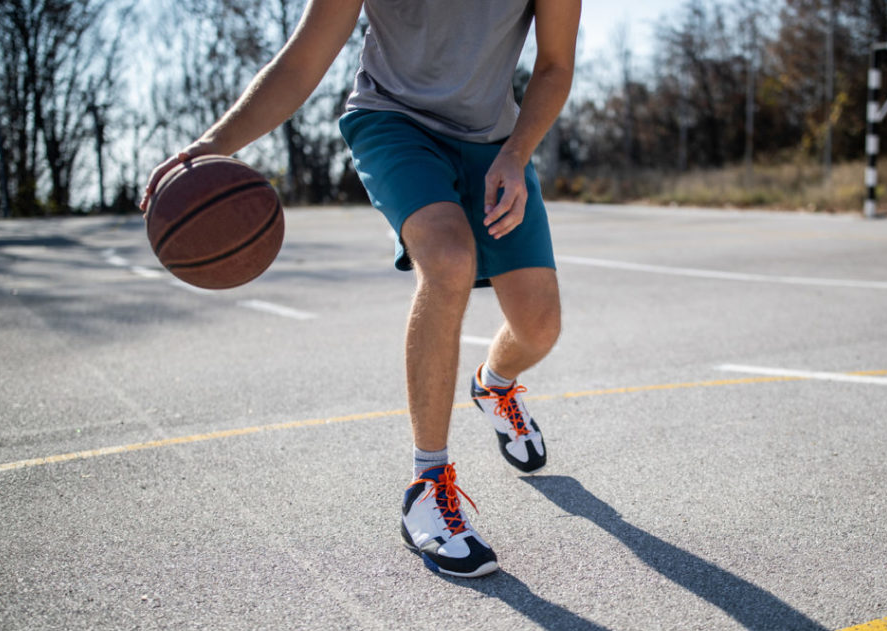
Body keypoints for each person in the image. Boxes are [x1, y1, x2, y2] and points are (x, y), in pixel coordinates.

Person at [141, 0, 580, 578]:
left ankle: (495, 384)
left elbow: (554, 64)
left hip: (496, 142)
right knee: (447, 260)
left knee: (539, 328)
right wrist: (213, 144)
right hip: (393, 123)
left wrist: (517, 153)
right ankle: (428, 488)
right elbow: (303, 61)